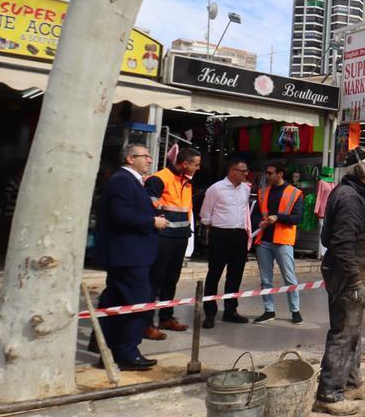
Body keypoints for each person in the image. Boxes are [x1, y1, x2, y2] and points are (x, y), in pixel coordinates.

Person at [314, 146, 365, 415]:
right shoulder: (350, 198)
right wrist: (354, 282)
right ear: (360, 168)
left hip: (346, 271)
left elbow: (327, 239)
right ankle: (329, 394)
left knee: (352, 329)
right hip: (346, 273)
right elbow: (341, 244)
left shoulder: (355, 194)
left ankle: (351, 382)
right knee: (344, 332)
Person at [92, 144, 169, 370]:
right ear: (129, 158)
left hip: (130, 253)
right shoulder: (122, 180)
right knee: (138, 301)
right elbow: (121, 215)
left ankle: (108, 352)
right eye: (144, 156)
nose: (149, 160)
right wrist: (152, 221)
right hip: (127, 255)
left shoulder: (132, 181)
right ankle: (127, 350)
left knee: (115, 303)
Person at [144, 147, 202, 338]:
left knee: (171, 281)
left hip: (179, 238)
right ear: (185, 164)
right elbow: (147, 208)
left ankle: (166, 317)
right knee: (155, 281)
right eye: (196, 164)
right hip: (162, 238)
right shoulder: (159, 179)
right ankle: (146, 323)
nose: (198, 168)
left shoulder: (186, 180)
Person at [199, 159, 252, 328]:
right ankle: (210, 312)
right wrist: (214, 230)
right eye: (243, 170)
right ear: (232, 171)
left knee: (235, 274)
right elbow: (205, 214)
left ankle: (230, 310)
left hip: (239, 235)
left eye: (246, 170)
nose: (246, 173)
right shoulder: (216, 189)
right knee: (214, 274)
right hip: (221, 235)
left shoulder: (246, 189)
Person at [253, 161, 305, 324]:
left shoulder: (295, 193)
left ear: (280, 174)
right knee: (265, 278)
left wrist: (278, 218)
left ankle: (295, 310)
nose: (267, 176)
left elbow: (297, 218)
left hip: (283, 240)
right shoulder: (263, 193)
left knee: (289, 277)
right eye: (267, 173)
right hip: (264, 240)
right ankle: (269, 310)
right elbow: (255, 215)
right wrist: (258, 223)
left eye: (270, 173)